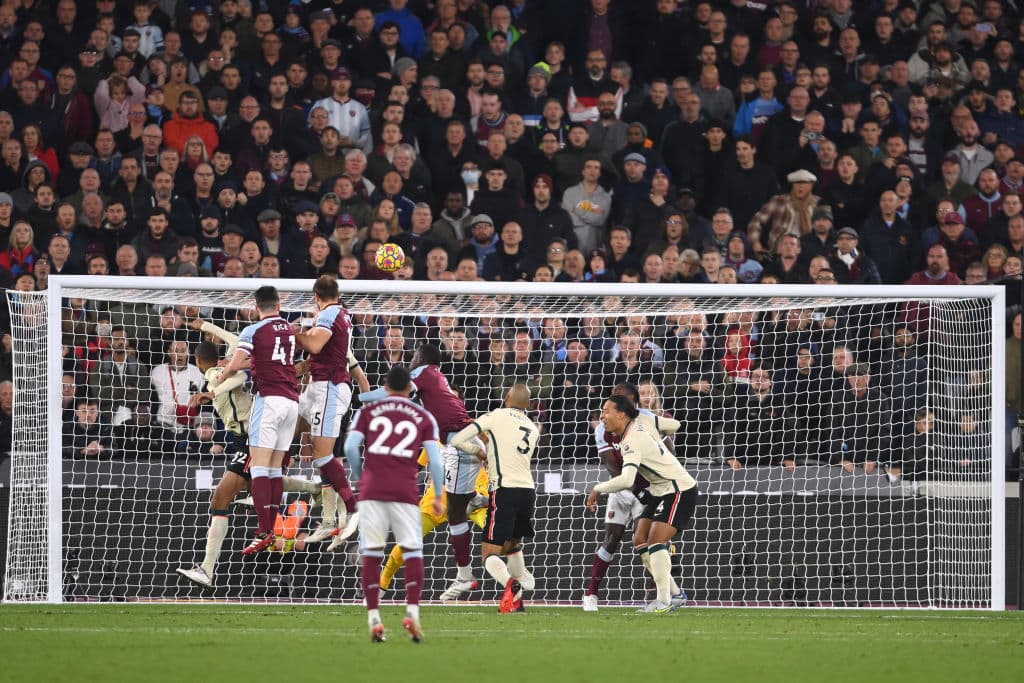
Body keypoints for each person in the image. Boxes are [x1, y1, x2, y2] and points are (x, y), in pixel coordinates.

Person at [175, 324, 319, 588]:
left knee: (221, 497)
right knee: (258, 483)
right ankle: (313, 488)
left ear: (196, 362)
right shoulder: (222, 367)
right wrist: (205, 325)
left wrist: (213, 392)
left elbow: (240, 378)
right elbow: (234, 339)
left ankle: (207, 569)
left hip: (251, 439)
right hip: (244, 439)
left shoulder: (218, 373)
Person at [359, 342, 482, 601]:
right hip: (460, 454)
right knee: (448, 516)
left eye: (414, 355)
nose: (411, 359)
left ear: (422, 358)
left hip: (461, 448)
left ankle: (466, 574)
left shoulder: (423, 372)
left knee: (457, 515)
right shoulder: (436, 381)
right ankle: (477, 504)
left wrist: (363, 395)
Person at [344, 365, 444, 643]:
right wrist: (436, 495)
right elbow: (435, 461)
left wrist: (361, 475)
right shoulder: (424, 416)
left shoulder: (367, 412)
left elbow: (350, 448)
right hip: (404, 489)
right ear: (410, 389)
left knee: (373, 554)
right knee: (412, 551)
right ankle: (412, 613)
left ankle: (374, 618)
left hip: (373, 488)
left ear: (385, 388)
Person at [586, 394, 699, 613]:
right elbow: (675, 425)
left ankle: (663, 602)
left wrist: (598, 488)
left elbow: (627, 480)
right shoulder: (645, 420)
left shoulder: (630, 442)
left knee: (656, 540)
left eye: (607, 411)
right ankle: (675, 594)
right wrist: (656, 436)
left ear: (621, 414)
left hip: (678, 489)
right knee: (640, 539)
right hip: (660, 490)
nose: (603, 417)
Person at [217, 286, 300, 555]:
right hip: (291, 403)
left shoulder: (252, 330)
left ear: (256, 307)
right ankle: (272, 527)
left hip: (269, 401)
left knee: (259, 469)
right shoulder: (289, 328)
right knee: (275, 469)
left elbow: (237, 361)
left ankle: (263, 530)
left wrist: (223, 375)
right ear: (279, 304)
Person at [292, 275, 368, 547]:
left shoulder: (330, 313)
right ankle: (267, 484)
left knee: (322, 455)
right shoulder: (340, 314)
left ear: (316, 296)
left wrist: (289, 332)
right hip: (318, 387)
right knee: (289, 426)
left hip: (330, 389)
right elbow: (317, 355)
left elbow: (313, 344)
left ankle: (353, 507)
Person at [450, 383, 540, 613]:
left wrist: (479, 451)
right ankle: (518, 597)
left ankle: (513, 585)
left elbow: (457, 440)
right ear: (528, 405)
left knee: (489, 554)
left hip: (504, 489)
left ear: (507, 396)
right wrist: (491, 447)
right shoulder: (533, 427)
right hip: (528, 491)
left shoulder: (496, 415)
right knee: (512, 545)